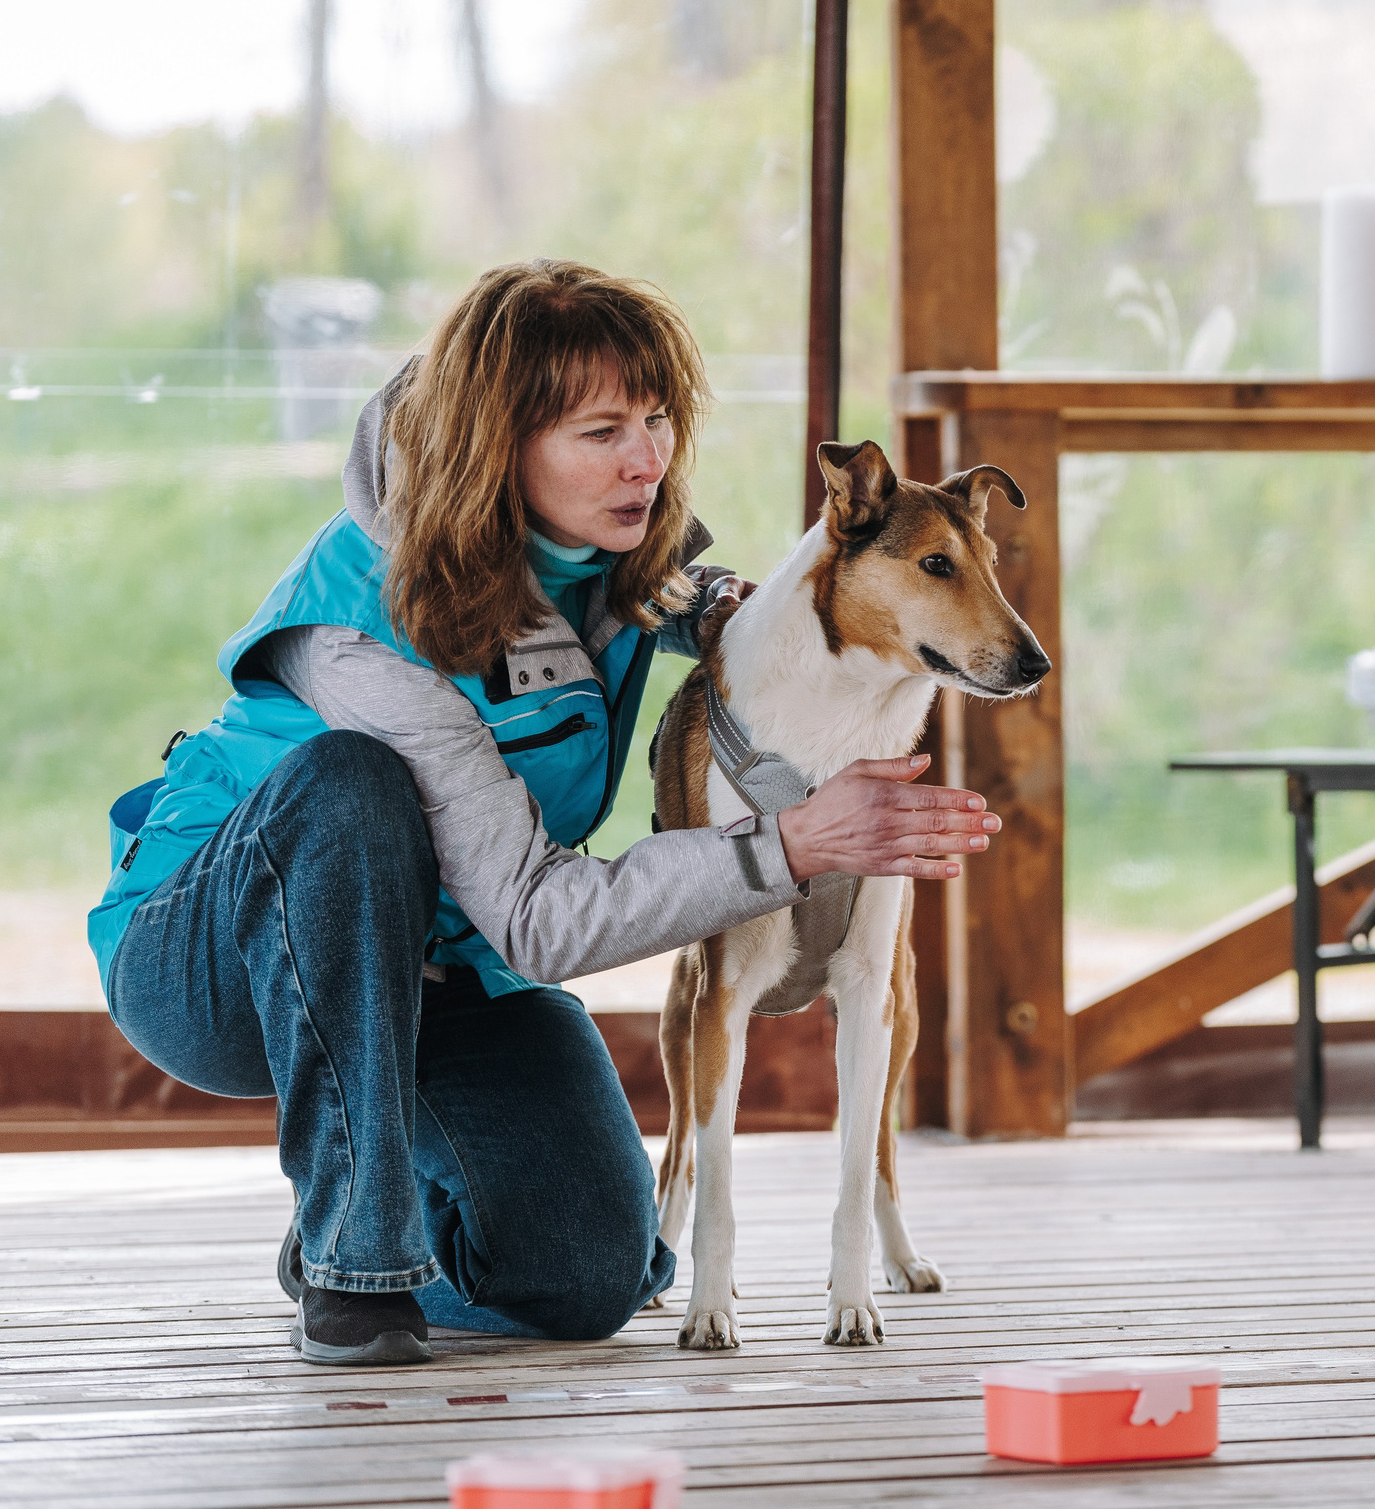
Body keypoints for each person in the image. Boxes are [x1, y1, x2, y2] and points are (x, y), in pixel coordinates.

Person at [86, 260, 1002, 1365]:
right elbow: (538, 921)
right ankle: (352, 1261)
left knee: (589, 1272)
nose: (647, 457)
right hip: (214, 957)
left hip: (439, 974)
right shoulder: (360, 630)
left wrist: (761, 619)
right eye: (602, 430)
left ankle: (390, 1210)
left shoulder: (608, 554)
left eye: (657, 419)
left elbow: (688, 600)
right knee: (352, 786)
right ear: (498, 446)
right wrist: (792, 843)